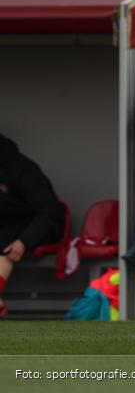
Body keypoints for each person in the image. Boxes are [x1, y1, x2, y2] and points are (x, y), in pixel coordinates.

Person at [0, 134, 65, 318]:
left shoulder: (23, 169)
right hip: (8, 224)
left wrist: (24, 241)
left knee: (4, 244)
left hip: (40, 224)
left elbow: (49, 211)